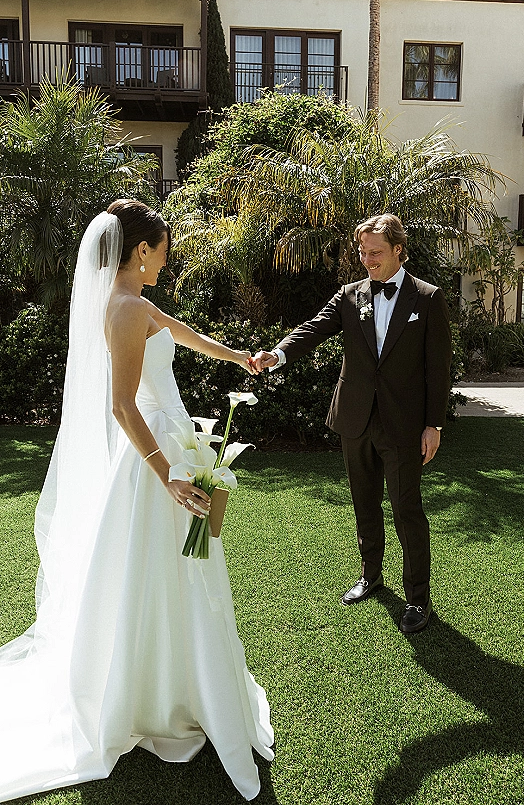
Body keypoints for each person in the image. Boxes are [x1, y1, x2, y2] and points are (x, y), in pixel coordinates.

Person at [0, 200, 273, 803]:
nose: (167, 259)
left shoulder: (139, 305)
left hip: (173, 440)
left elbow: (188, 337)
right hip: (152, 456)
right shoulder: (122, 310)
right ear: (141, 251)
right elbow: (123, 404)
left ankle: (183, 681)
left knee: (182, 567)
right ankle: (150, 692)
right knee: (157, 567)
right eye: (164, 249)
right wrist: (167, 475)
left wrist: (240, 359)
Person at [253, 214, 452, 634]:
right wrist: (279, 354)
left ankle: (418, 598)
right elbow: (313, 329)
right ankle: (371, 576)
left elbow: (439, 368)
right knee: (365, 504)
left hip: (403, 425)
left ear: (399, 250)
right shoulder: (349, 295)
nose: (367, 260)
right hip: (355, 418)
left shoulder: (428, 298)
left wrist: (433, 424)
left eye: (375, 252)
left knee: (406, 511)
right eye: (362, 252)